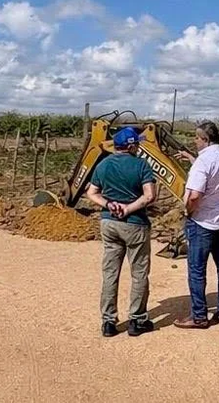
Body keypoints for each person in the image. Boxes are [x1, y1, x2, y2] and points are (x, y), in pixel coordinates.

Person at [85, 127, 157, 337]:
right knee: (139, 274)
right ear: (132, 145)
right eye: (138, 144)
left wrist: (109, 205)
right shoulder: (141, 165)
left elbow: (92, 193)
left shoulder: (103, 164)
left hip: (109, 224)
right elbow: (149, 195)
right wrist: (128, 208)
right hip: (135, 224)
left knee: (110, 273)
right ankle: (137, 320)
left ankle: (108, 322)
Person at [173, 121, 219, 329]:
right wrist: (192, 159)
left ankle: (199, 316)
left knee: (196, 270)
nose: (194, 141)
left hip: (202, 223)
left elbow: (195, 195)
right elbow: (214, 174)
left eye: (196, 138)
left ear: (205, 139)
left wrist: (188, 212)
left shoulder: (203, 162)